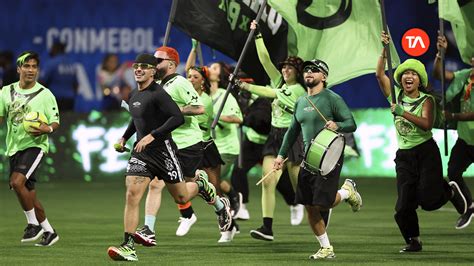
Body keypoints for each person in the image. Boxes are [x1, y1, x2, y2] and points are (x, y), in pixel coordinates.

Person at [107, 54, 232, 261]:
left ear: (153, 71)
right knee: (132, 194)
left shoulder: (159, 93)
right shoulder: (135, 95)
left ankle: (201, 185)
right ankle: (128, 245)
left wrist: (152, 135)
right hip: (142, 153)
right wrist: (124, 137)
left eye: (144, 67)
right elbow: (136, 119)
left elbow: (177, 117)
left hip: (164, 151)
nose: (138, 70)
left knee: (181, 197)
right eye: (136, 67)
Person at [376, 32, 467, 252]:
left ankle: (450, 192)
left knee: (429, 200)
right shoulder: (396, 97)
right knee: (403, 206)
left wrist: (401, 112)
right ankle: (413, 241)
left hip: (426, 153)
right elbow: (379, 75)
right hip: (404, 156)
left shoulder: (426, 100)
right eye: (405, 73)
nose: (408, 77)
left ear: (419, 80)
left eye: (413, 74)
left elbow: (426, 124)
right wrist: (383, 50)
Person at [273, 59, 362, 259]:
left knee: (324, 204)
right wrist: (281, 155)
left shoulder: (332, 99)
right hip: (308, 159)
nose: (309, 73)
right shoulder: (301, 102)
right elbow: (292, 131)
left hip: (330, 157)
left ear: (324, 76)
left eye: (314, 70)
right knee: (309, 206)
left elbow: (351, 123)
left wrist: (337, 125)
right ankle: (326, 248)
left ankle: (347, 192)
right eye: (306, 70)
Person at [235, 20, 307, 240]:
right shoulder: (280, 82)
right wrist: (256, 35)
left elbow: (271, 95)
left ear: (298, 72)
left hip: (292, 138)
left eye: (289, 67)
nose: (284, 70)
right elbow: (265, 60)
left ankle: (325, 205)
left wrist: (245, 86)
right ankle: (267, 227)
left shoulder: (297, 90)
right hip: (275, 137)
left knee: (300, 187)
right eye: (284, 67)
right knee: (268, 182)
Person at [0, 51, 60, 246]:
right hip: (14, 148)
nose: (31, 70)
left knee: (17, 182)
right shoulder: (6, 92)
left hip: (35, 146)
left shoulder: (45, 94)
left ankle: (32, 224)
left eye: (34, 67)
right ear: (19, 69)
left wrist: (48, 128)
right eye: (27, 66)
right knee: (29, 196)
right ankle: (50, 231)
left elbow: (55, 121)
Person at [434, 34, 474, 229]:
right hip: (466, 139)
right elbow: (439, 75)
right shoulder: (466, 75)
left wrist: (454, 117)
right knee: (453, 172)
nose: (472, 59)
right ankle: (470, 207)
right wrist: (440, 54)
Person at [40, 42, 78, 111]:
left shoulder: (51, 63)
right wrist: (72, 95)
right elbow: (75, 85)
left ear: (56, 49)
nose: (50, 51)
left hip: (54, 98)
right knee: (68, 120)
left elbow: (42, 82)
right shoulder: (71, 64)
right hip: (69, 99)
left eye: (52, 49)